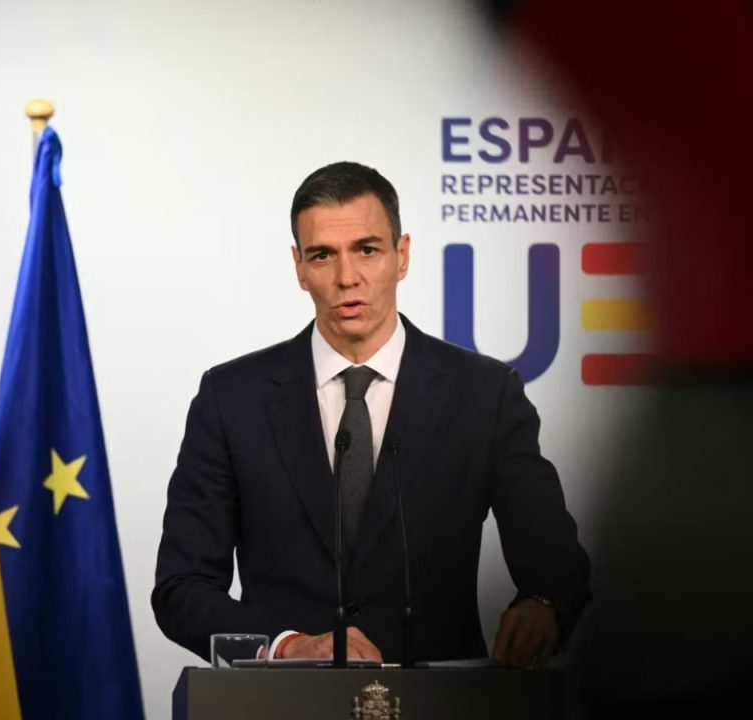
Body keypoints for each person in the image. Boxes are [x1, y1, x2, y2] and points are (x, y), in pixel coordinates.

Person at [152, 161, 590, 667]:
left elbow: (558, 565)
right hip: (286, 699)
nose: (347, 278)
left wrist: (542, 606)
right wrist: (285, 645)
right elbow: (182, 588)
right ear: (298, 267)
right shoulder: (231, 399)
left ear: (402, 256)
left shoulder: (485, 394)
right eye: (322, 255)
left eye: (367, 249)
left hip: (440, 699)